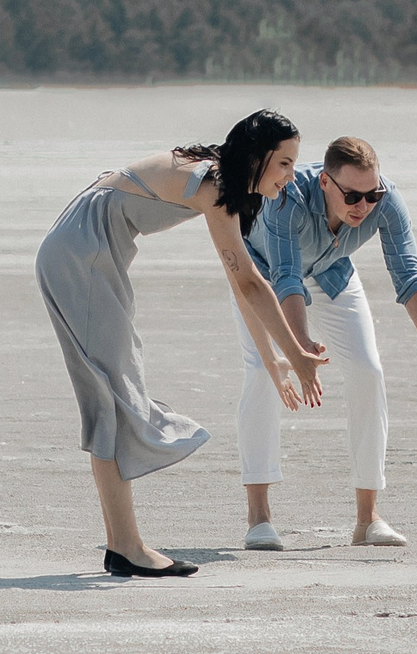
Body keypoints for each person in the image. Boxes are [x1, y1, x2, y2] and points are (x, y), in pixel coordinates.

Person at [36, 109, 322, 578]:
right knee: (110, 397)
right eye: (285, 163)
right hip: (81, 253)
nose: (290, 178)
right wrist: (299, 356)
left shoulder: (218, 178)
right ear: (258, 157)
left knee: (110, 396)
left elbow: (240, 285)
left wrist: (272, 359)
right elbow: (250, 282)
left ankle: (122, 546)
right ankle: (126, 546)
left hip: (88, 250)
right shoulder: (213, 184)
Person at [238, 135, 417, 551]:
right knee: (265, 370)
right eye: (352, 195)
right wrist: (300, 348)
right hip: (259, 275)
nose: (363, 207)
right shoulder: (286, 199)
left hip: (332, 271)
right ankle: (259, 517)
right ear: (326, 183)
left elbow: (409, 273)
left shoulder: (386, 200)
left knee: (368, 371)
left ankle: (368, 519)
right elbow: (286, 277)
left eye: (372, 195)